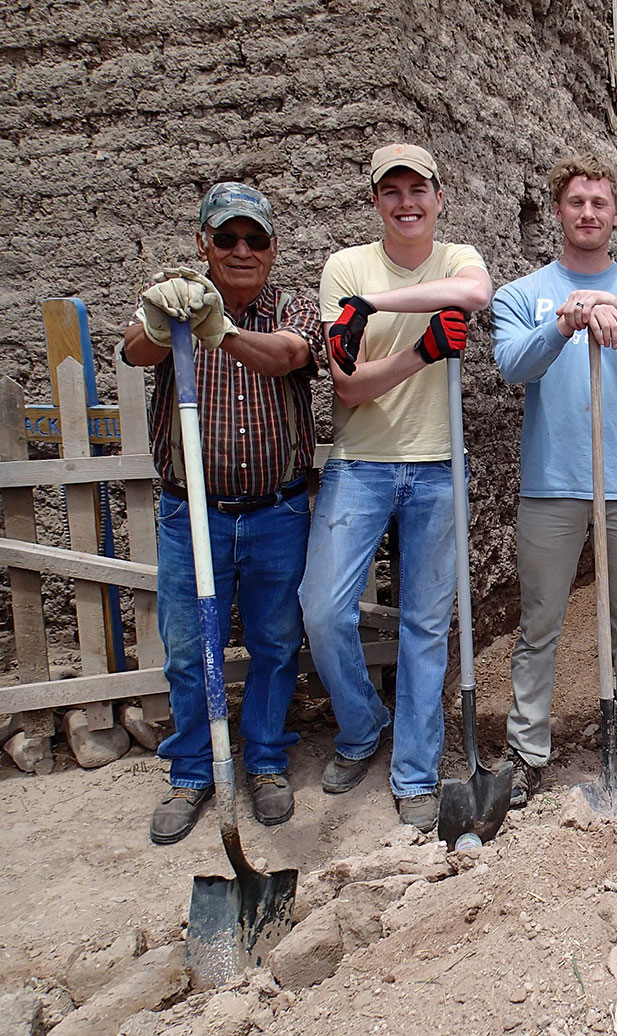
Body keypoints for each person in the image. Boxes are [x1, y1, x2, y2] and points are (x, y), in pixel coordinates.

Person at [300, 143, 492, 834]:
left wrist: (371, 307)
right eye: (392, 191)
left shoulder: (457, 257)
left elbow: (474, 295)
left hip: (439, 466)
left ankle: (415, 770)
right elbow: (348, 388)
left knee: (422, 625)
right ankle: (360, 728)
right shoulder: (343, 266)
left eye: (419, 190)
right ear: (376, 201)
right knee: (321, 610)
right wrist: (420, 353)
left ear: (439, 198)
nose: (407, 202)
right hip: (361, 462)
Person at [123, 182, 324, 845]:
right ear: (203, 242)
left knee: (273, 644)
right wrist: (165, 321)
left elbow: (292, 354)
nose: (242, 250)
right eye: (228, 237)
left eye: (255, 239)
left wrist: (223, 332)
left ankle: (264, 761)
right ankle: (192, 771)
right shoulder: (176, 297)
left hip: (276, 510)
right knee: (188, 650)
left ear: (271, 247)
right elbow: (136, 349)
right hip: (194, 514)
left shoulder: (292, 304)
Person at [492, 154, 617, 809]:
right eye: (576, 202)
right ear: (558, 212)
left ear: (613, 215)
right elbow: (512, 366)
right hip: (550, 484)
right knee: (539, 625)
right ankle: (526, 754)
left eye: (599, 203)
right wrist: (563, 322)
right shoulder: (522, 294)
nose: (588, 213)